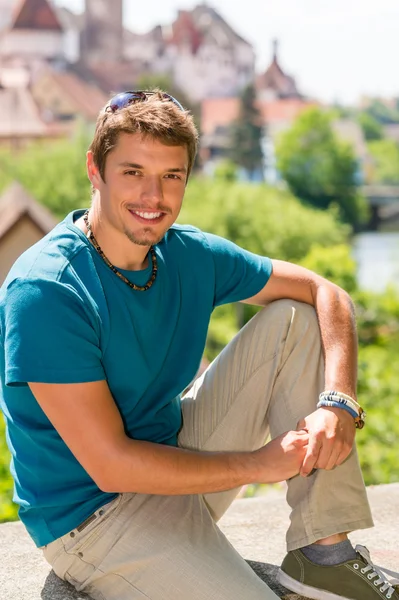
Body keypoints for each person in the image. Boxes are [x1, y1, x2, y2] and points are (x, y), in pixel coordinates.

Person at [0, 90, 397, 600]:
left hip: (175, 460)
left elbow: (328, 293)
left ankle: (324, 554)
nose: (153, 196)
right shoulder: (48, 289)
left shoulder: (187, 254)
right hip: (91, 520)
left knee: (295, 319)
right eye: (132, 172)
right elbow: (111, 464)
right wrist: (261, 463)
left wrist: (338, 403)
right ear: (94, 170)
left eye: (171, 176)